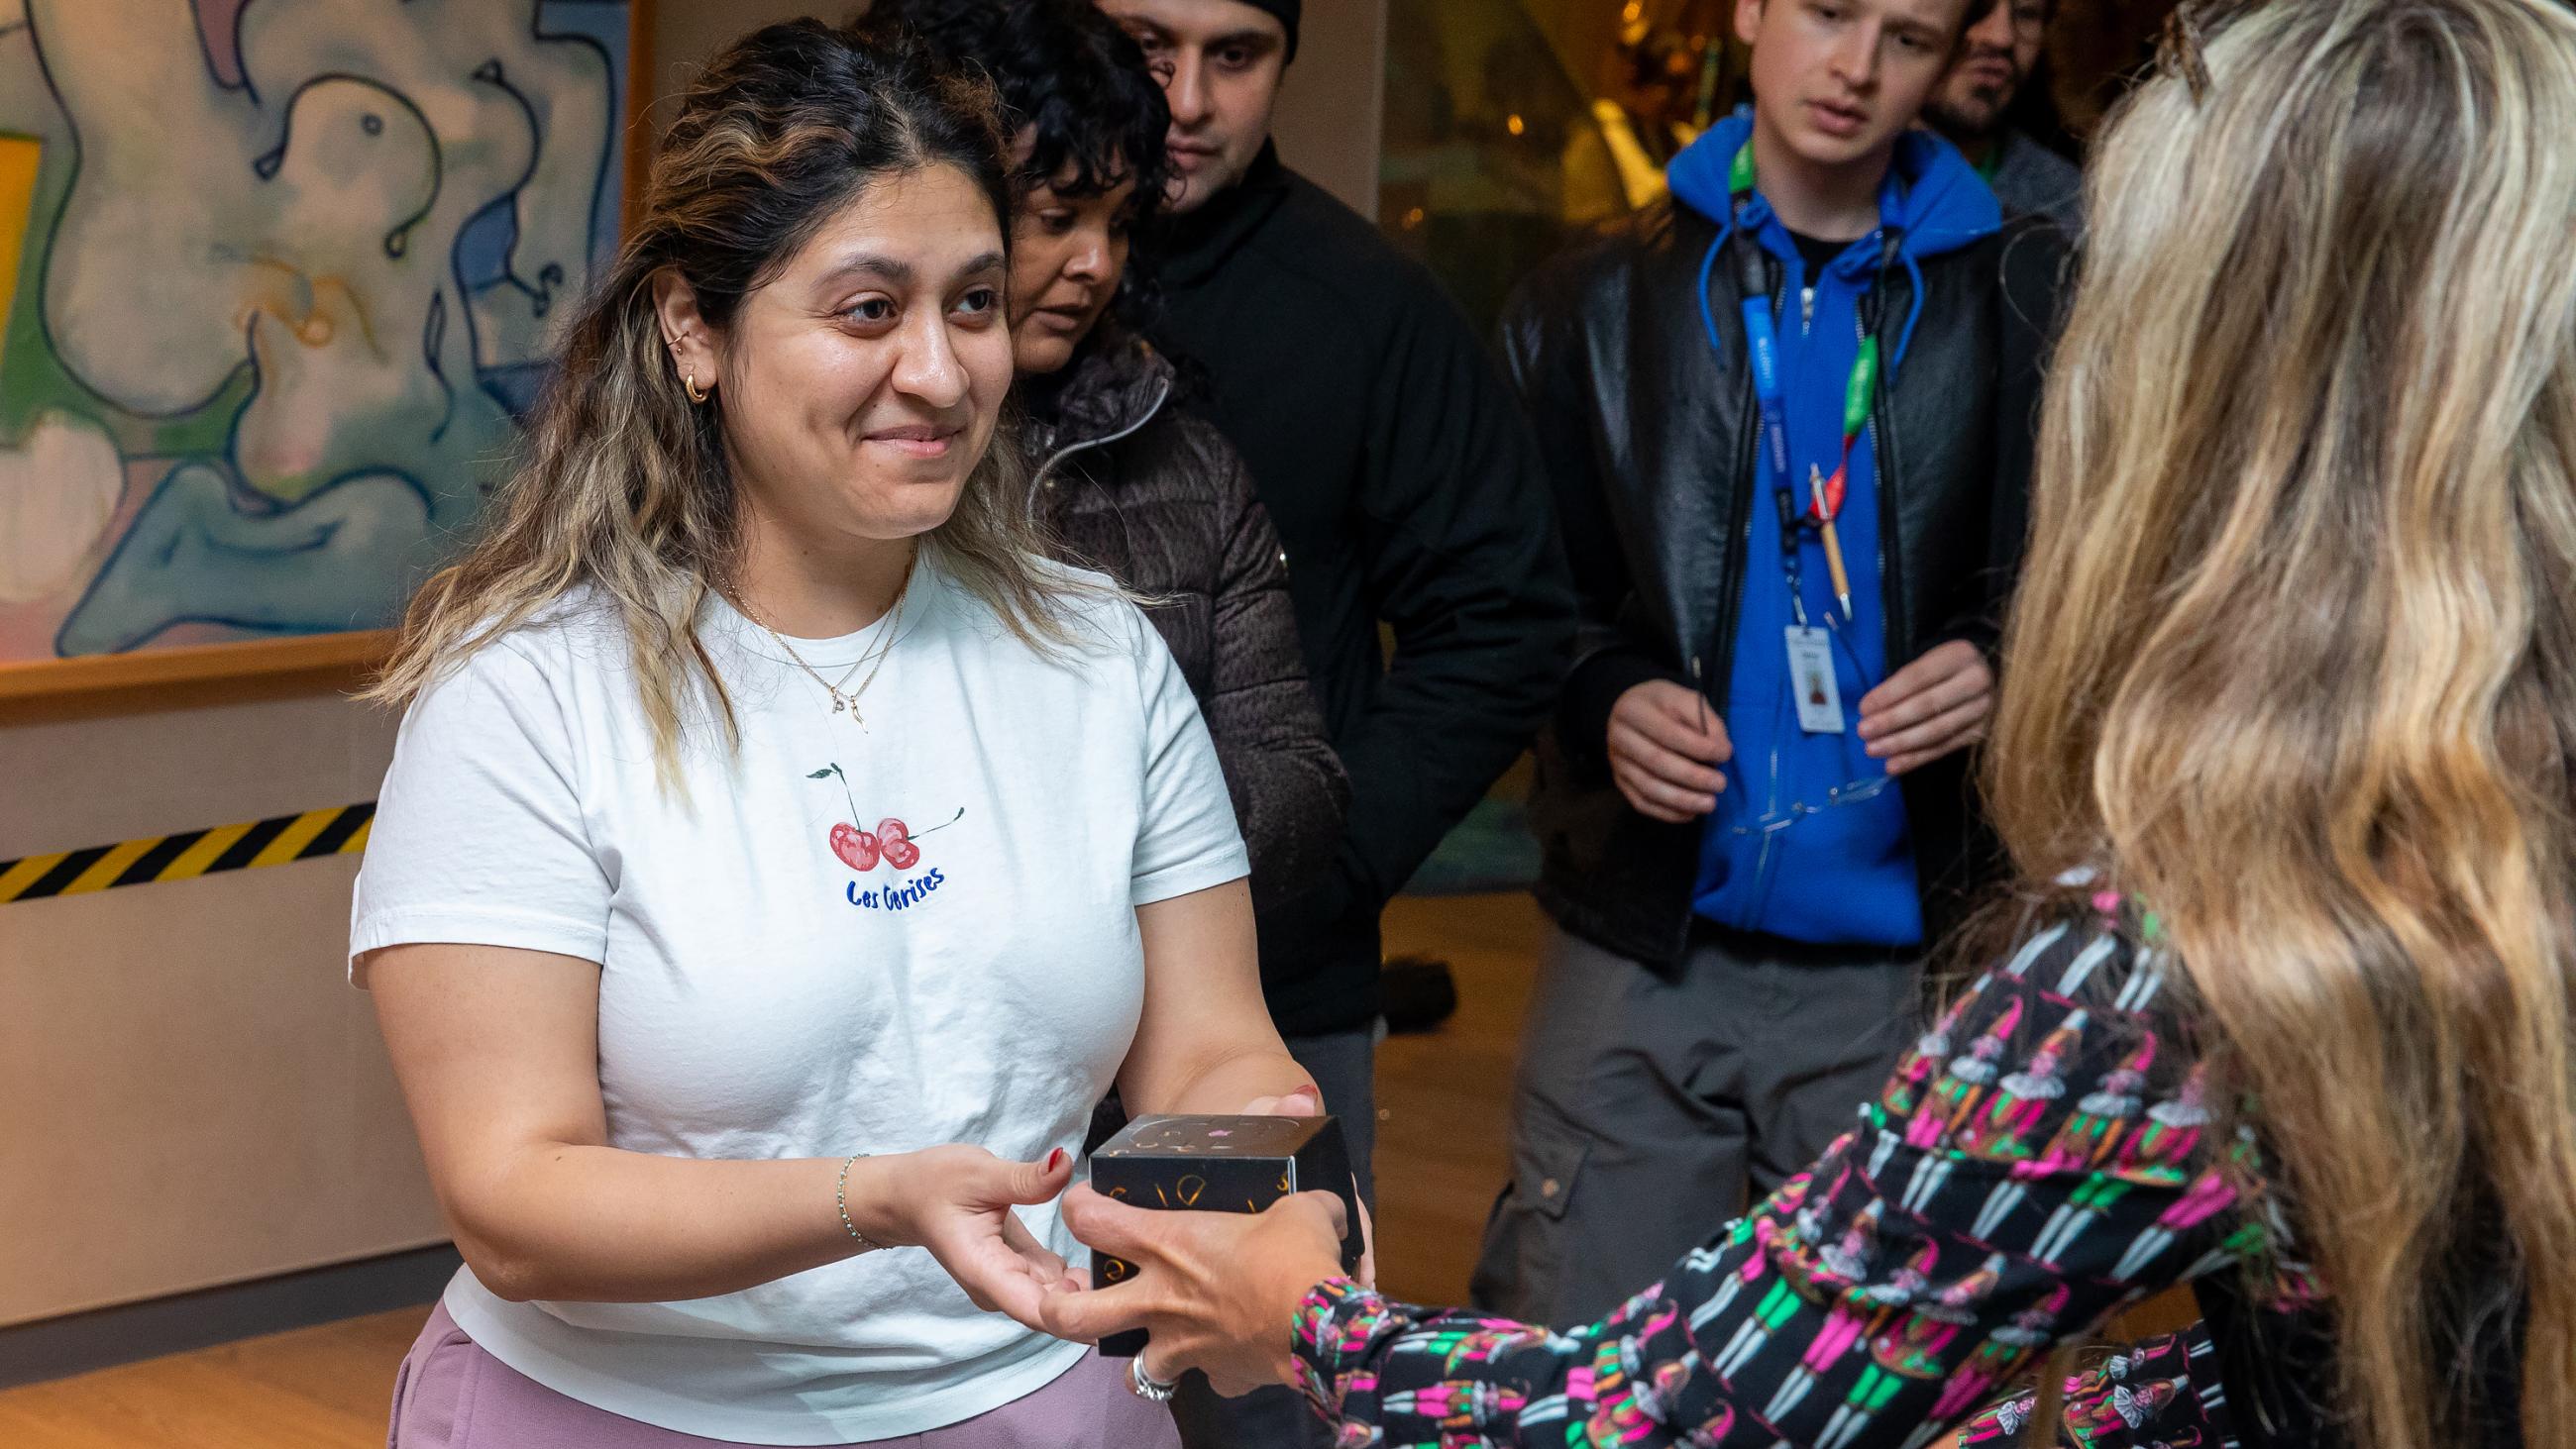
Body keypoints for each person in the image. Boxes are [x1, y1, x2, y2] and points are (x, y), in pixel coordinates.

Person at [1035, 1, 2576, 1446]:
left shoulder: (2205, 957)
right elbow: (2392, 1343)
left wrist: (1307, 1319)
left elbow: (1665, 1405)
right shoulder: (1596, 297)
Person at [352, 24, 1324, 1446]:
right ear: (696, 329)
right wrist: (873, 1196)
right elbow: (515, 1197)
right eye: (869, 309)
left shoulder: (1096, 656)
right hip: (618, 1411)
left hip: (1033, 1399)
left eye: (973, 303)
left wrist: (1269, 1176)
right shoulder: (528, 695)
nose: (939, 372)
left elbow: (1212, 1051)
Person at [1470, 0, 2064, 1332]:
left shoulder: (2032, 292)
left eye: (1906, 36)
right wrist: (1601, 688)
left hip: (1915, 968)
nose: (1855, 67)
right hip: (1639, 942)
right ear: (1747, 8)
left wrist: (2004, 661)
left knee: (1892, 1396)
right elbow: (1510, 604)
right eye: (1828, 10)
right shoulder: (1591, 297)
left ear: (1961, 52)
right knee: (1592, 1376)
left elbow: (2115, 594)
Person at [1094, 0, 1574, 1207]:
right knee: (1008, 1376)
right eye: (1150, 47)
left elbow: (1502, 618)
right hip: (987, 989)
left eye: (1235, 57)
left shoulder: (1366, 305)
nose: (1187, 101)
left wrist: (1332, 864)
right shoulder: (980, 287)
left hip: (1276, 994)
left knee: (1259, 1373)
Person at [870, 0, 1346, 913]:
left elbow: (1296, 788)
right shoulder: (855, 452)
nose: (1098, 262)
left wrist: (1087, 821)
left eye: (1121, 221)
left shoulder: (1194, 472)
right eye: (1056, 216)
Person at [1922, 0, 2084, 231]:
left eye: (2026, 14)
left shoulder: (2071, 210)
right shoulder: (1857, 177)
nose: (2002, 37)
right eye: (1977, 9)